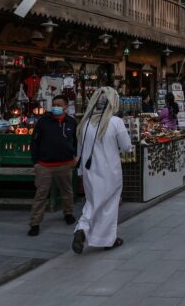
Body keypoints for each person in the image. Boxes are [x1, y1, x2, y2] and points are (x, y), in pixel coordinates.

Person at [72, 87, 133, 253]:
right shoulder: (115, 122)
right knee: (109, 205)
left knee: (92, 202)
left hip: (89, 171)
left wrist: (80, 173)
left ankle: (82, 228)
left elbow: (80, 150)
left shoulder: (84, 123)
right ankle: (106, 239)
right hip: (110, 171)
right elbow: (127, 147)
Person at [28, 94, 77, 236]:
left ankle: (68, 213)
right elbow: (34, 142)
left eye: (59, 105)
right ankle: (35, 223)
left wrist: (75, 157)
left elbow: (75, 140)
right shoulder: (43, 121)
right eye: (54, 104)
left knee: (67, 192)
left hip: (65, 164)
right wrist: (36, 162)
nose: (55, 107)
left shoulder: (71, 122)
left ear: (66, 107)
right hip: (45, 165)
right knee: (41, 194)